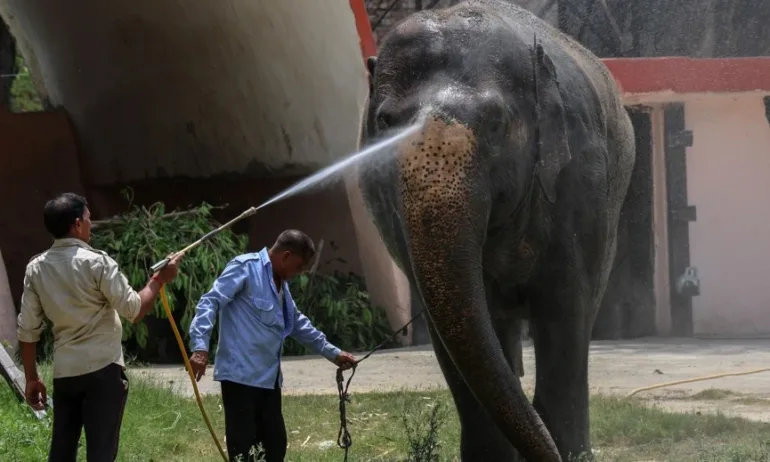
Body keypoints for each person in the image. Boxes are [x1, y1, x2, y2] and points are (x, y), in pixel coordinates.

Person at [16, 192, 183, 462]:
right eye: (88, 218)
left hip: (65, 374)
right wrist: (159, 279)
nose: (91, 224)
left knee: (61, 451)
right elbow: (134, 310)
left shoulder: (36, 269)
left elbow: (27, 330)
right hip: (103, 372)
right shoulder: (97, 262)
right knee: (101, 453)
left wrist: (31, 378)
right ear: (77, 224)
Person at [188, 229, 357, 462]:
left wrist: (333, 353)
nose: (298, 274)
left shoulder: (281, 284)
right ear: (286, 256)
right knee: (244, 451)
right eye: (298, 267)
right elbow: (210, 302)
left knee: (275, 447)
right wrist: (200, 348)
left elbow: (297, 323)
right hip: (240, 380)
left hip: (269, 382)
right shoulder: (245, 267)